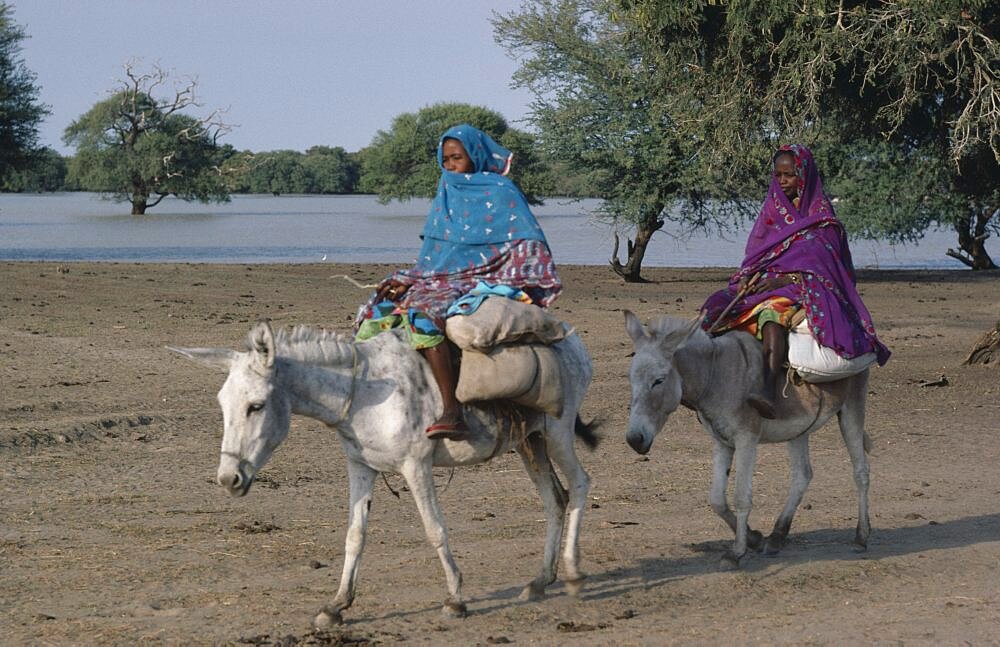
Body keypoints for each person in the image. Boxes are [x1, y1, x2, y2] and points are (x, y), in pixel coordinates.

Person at [354, 124, 562, 440]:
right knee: (378, 308)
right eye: (446, 160)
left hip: (486, 278)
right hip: (441, 278)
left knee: (423, 314)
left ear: (475, 157)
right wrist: (409, 280)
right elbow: (436, 256)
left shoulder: (500, 190)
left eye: (457, 158)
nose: (451, 167)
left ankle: (452, 410)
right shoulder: (447, 192)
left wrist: (496, 274)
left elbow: (526, 241)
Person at [701, 144, 890, 418]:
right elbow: (755, 256)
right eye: (777, 175)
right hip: (764, 281)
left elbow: (828, 266)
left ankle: (766, 390)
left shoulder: (822, 218)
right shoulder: (770, 210)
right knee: (717, 304)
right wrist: (745, 279)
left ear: (803, 175)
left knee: (771, 316)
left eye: (788, 175)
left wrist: (786, 280)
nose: (782, 181)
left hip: (805, 286)